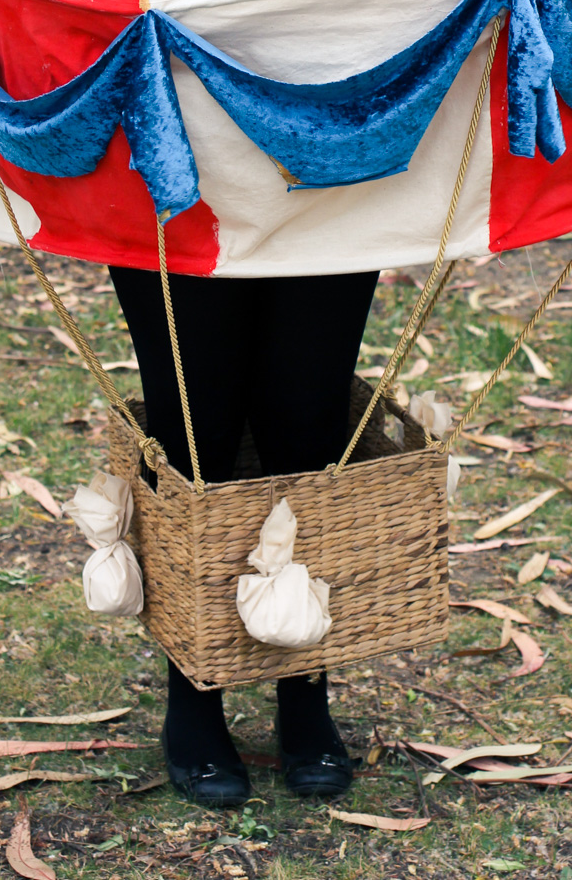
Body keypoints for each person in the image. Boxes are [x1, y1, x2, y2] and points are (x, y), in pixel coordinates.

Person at [109, 264, 380, 807]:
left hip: (331, 189)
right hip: (180, 190)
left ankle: (304, 687)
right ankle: (194, 688)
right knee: (193, 424)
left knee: (309, 416)